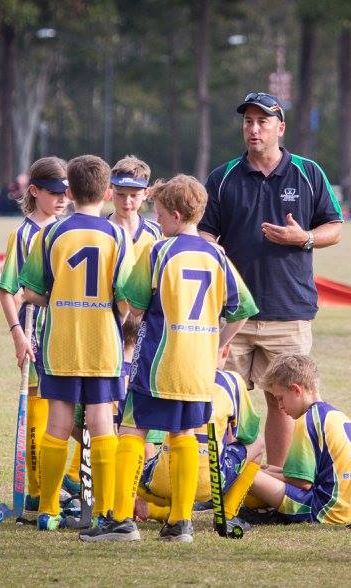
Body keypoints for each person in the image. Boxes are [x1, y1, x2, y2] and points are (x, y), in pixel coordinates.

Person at [103, 174, 258, 543]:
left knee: (131, 430)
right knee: (184, 434)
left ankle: (121, 519)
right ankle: (180, 523)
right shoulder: (217, 255)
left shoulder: (160, 251)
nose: (157, 222)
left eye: (158, 215)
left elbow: (136, 304)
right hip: (198, 368)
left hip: (158, 362)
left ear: (174, 215)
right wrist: (219, 344)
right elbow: (242, 309)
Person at [200, 91, 343, 468]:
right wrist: (214, 255)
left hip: (288, 311)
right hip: (232, 315)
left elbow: (335, 227)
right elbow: (205, 234)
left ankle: (277, 479)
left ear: (280, 127)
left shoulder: (309, 173)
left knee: (283, 402)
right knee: (223, 400)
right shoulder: (223, 177)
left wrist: (305, 238)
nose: (253, 129)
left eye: (262, 121)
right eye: (248, 121)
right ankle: (222, 479)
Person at [19, 155, 129, 534]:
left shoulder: (50, 232)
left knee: (58, 422)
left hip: (61, 341)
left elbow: (31, 292)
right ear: (108, 192)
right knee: (102, 422)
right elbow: (125, 299)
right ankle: (105, 510)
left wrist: (60, 298)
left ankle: (48, 509)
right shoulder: (117, 235)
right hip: (102, 343)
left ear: (69, 190)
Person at [0, 156, 70, 517]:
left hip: (66, 334)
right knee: (39, 413)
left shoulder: (68, 228)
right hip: (34, 334)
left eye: (66, 193)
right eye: (53, 193)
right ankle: (38, 492)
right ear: (35, 191)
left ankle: (64, 484)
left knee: (66, 414)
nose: (61, 199)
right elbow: (8, 289)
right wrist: (17, 336)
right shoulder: (23, 234)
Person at [135, 346, 263, 525]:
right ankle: (228, 514)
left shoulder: (169, 374)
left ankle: (135, 505)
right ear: (225, 351)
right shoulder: (231, 381)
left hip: (160, 480)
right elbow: (248, 435)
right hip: (209, 484)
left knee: (136, 450)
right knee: (258, 445)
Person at [246, 354, 351, 526]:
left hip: (324, 511)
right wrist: (269, 471)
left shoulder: (308, 420)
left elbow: (302, 482)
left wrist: (259, 473)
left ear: (296, 390)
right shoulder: (336, 415)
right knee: (262, 470)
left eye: (280, 398)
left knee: (243, 474)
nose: (280, 406)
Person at [108, 155, 162, 258]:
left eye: (134, 195)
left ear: (146, 193)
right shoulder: (100, 231)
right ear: (111, 190)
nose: (127, 201)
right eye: (120, 194)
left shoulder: (157, 233)